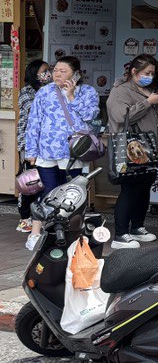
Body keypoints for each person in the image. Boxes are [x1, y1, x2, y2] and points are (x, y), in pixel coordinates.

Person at [24, 55, 98, 249]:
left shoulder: (87, 92)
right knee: (48, 190)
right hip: (46, 151)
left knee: (74, 193)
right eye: (55, 70)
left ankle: (72, 231)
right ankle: (36, 232)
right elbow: (34, 122)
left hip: (74, 151)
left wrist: (72, 96)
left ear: (76, 74)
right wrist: (31, 150)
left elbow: (90, 115)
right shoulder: (45, 92)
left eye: (62, 71)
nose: (57, 74)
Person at [105, 56, 158, 249]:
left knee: (144, 186)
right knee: (130, 189)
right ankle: (120, 234)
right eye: (146, 73)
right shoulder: (120, 91)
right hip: (132, 148)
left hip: (152, 147)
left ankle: (137, 227)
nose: (150, 77)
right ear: (134, 71)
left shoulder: (149, 89)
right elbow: (121, 117)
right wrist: (148, 102)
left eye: (152, 73)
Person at [15, 59, 51, 233]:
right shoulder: (26, 92)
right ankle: (24, 218)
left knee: (43, 181)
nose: (48, 74)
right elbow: (34, 110)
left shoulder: (51, 90)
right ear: (34, 73)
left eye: (48, 71)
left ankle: (38, 216)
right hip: (29, 143)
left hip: (47, 144)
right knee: (29, 180)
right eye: (44, 71)